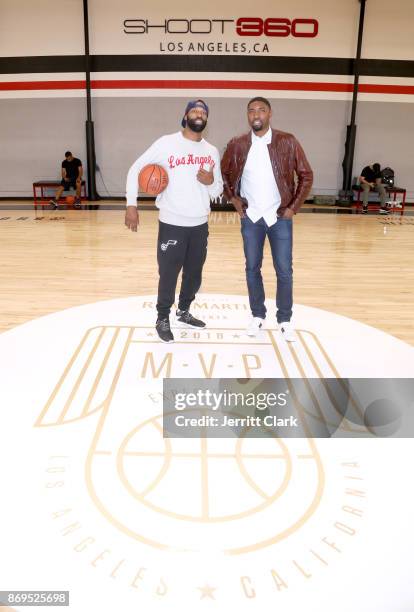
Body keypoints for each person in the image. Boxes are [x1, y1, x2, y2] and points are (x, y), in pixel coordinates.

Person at [125, 99, 223, 343]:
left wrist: (211, 182)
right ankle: (162, 317)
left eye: (203, 112)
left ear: (206, 119)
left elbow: (218, 191)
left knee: (194, 274)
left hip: (199, 224)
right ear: (186, 116)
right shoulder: (166, 143)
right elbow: (135, 169)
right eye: (194, 110)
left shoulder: (211, 152)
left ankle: (184, 311)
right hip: (172, 222)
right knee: (168, 274)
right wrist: (131, 204)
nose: (199, 114)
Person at [221, 96, 313, 342]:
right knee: (252, 268)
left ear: (270, 114)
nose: (256, 114)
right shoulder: (238, 144)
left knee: (284, 271)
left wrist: (293, 208)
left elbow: (306, 175)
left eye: (261, 110)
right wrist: (234, 199)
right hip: (251, 217)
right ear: (247, 115)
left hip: (279, 216)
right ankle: (257, 315)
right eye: (251, 111)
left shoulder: (287, 141)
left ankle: (284, 319)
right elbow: (224, 174)